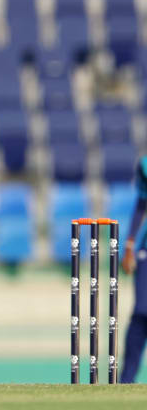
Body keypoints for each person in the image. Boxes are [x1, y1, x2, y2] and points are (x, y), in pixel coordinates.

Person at [120, 155, 147, 383]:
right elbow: (141, 204)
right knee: (141, 311)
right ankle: (126, 380)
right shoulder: (145, 165)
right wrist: (129, 243)